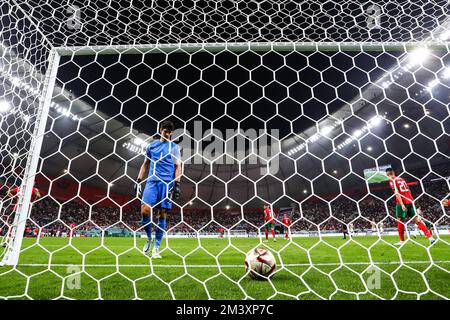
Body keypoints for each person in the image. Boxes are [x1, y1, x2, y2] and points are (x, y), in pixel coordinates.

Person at [135, 120, 182, 258]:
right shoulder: (152, 146)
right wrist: (138, 180)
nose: (167, 134)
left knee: (162, 214)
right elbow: (145, 164)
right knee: (145, 210)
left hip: (167, 184)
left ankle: (156, 248)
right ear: (160, 130)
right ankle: (149, 238)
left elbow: (178, 166)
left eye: (170, 132)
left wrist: (177, 185)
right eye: (165, 131)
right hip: (152, 181)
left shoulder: (174, 147)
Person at [385, 168, 435, 245]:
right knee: (417, 220)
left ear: (388, 174)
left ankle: (401, 241)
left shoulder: (392, 181)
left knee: (399, 220)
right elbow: (408, 190)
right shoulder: (401, 179)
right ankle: (430, 237)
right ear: (393, 172)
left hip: (402, 202)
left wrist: (402, 204)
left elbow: (397, 193)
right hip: (410, 200)